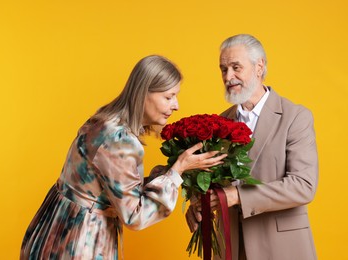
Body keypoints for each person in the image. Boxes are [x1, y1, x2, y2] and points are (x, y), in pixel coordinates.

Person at [20, 55, 227, 259]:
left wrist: (173, 169)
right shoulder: (119, 140)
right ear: (143, 93)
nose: (176, 105)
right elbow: (134, 216)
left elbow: (117, 189)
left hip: (57, 225)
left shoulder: (104, 120)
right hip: (81, 239)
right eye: (168, 96)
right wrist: (176, 172)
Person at [186, 34, 318, 260]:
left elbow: (303, 185)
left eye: (236, 67)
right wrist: (200, 203)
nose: (228, 77)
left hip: (282, 248)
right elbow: (216, 183)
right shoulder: (219, 122)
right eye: (223, 69)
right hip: (230, 246)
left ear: (259, 67)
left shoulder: (296, 117)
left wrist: (237, 195)